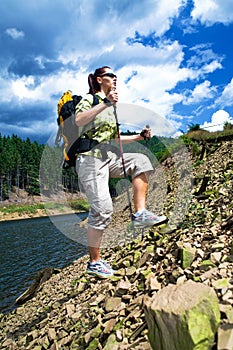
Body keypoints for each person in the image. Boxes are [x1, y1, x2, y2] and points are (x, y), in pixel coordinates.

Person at [75, 66, 167, 278]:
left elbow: (112, 139)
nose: (115, 79)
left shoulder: (110, 108)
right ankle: (94, 263)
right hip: (90, 159)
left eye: (116, 76)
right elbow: (78, 121)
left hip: (108, 157)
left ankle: (140, 213)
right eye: (111, 75)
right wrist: (106, 103)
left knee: (141, 160)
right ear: (99, 79)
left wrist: (138, 137)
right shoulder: (90, 100)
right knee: (103, 210)